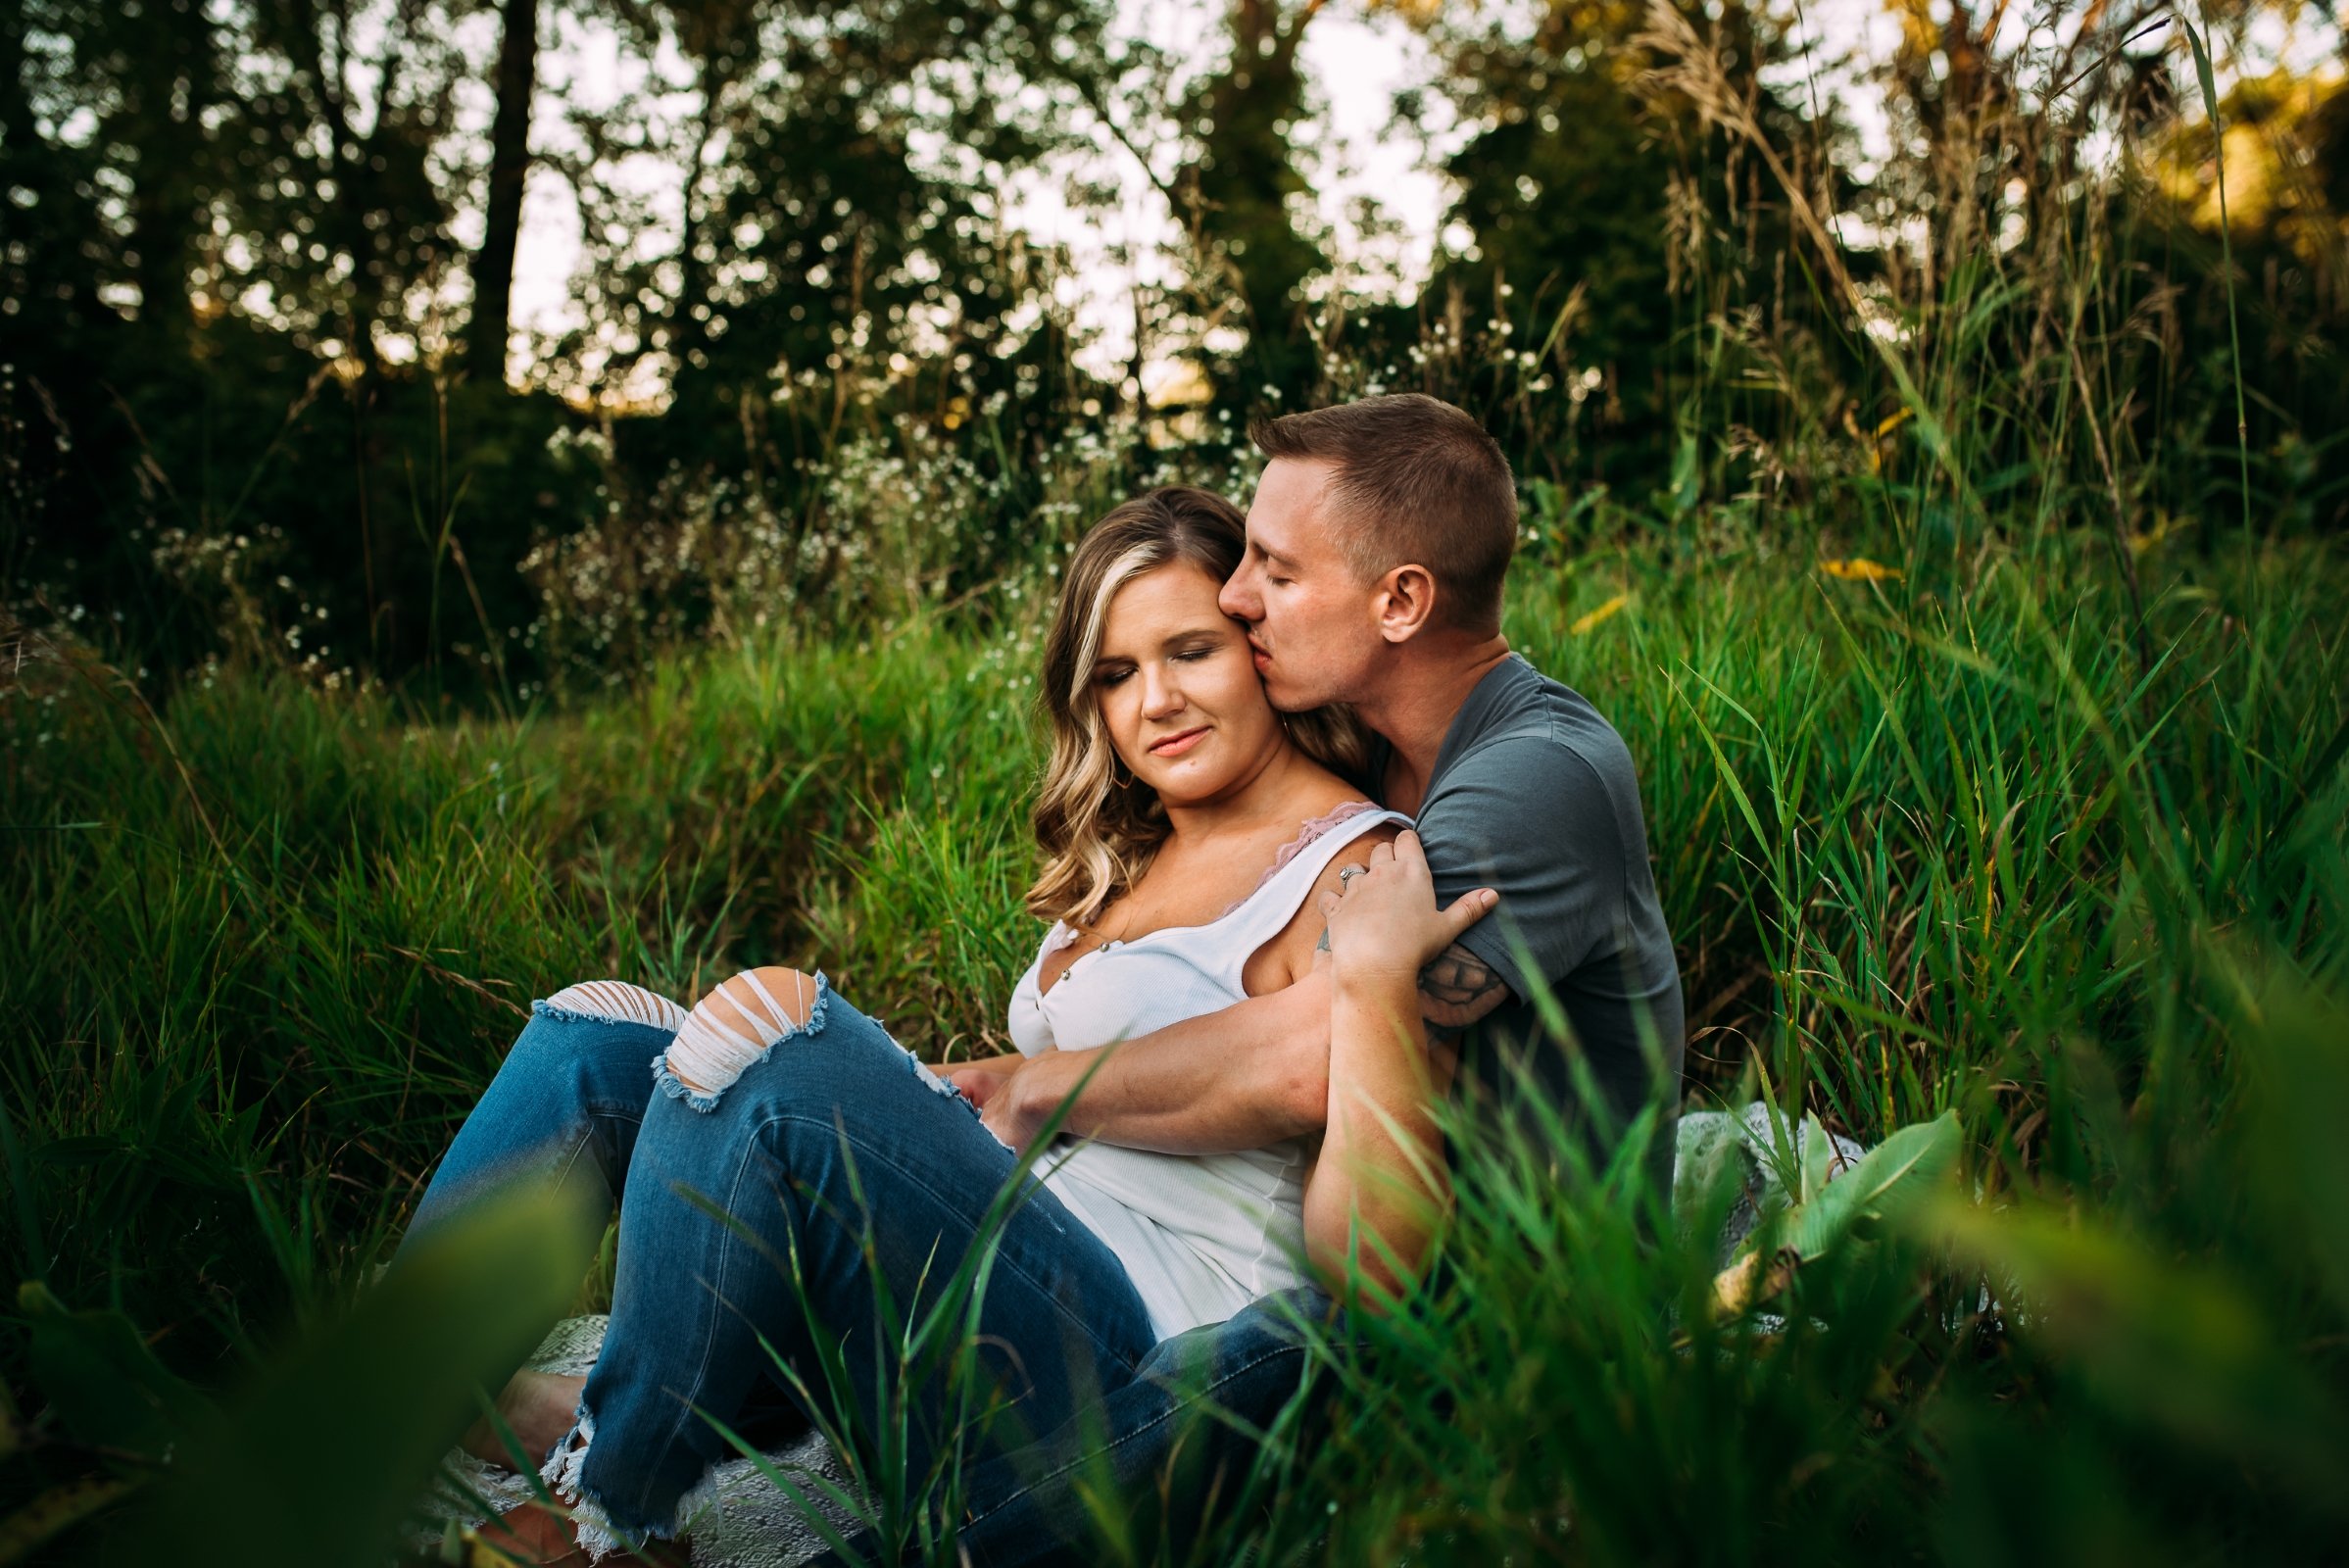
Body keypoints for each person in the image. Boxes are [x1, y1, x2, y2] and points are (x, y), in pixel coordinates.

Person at [395, 484, 1493, 1564]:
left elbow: (1347, 1113)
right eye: (1115, 674)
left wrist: (867, 1087)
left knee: (770, 1032)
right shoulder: (1127, 866)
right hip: (986, 1293)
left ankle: (605, 1514)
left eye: (1191, 651)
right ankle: (406, 1389)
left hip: (1122, 1365)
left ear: (1260, 647)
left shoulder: (1353, 866)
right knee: (600, 1035)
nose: (1155, 699)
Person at [917, 393, 1687, 1566]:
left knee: (1251, 1361)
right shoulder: (1375, 754)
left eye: (1273, 572)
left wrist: (1035, 1088)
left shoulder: (1534, 779)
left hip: (1497, 1327)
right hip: (1372, 1272)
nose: (1235, 597)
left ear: (1401, 600)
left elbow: (1305, 1050)